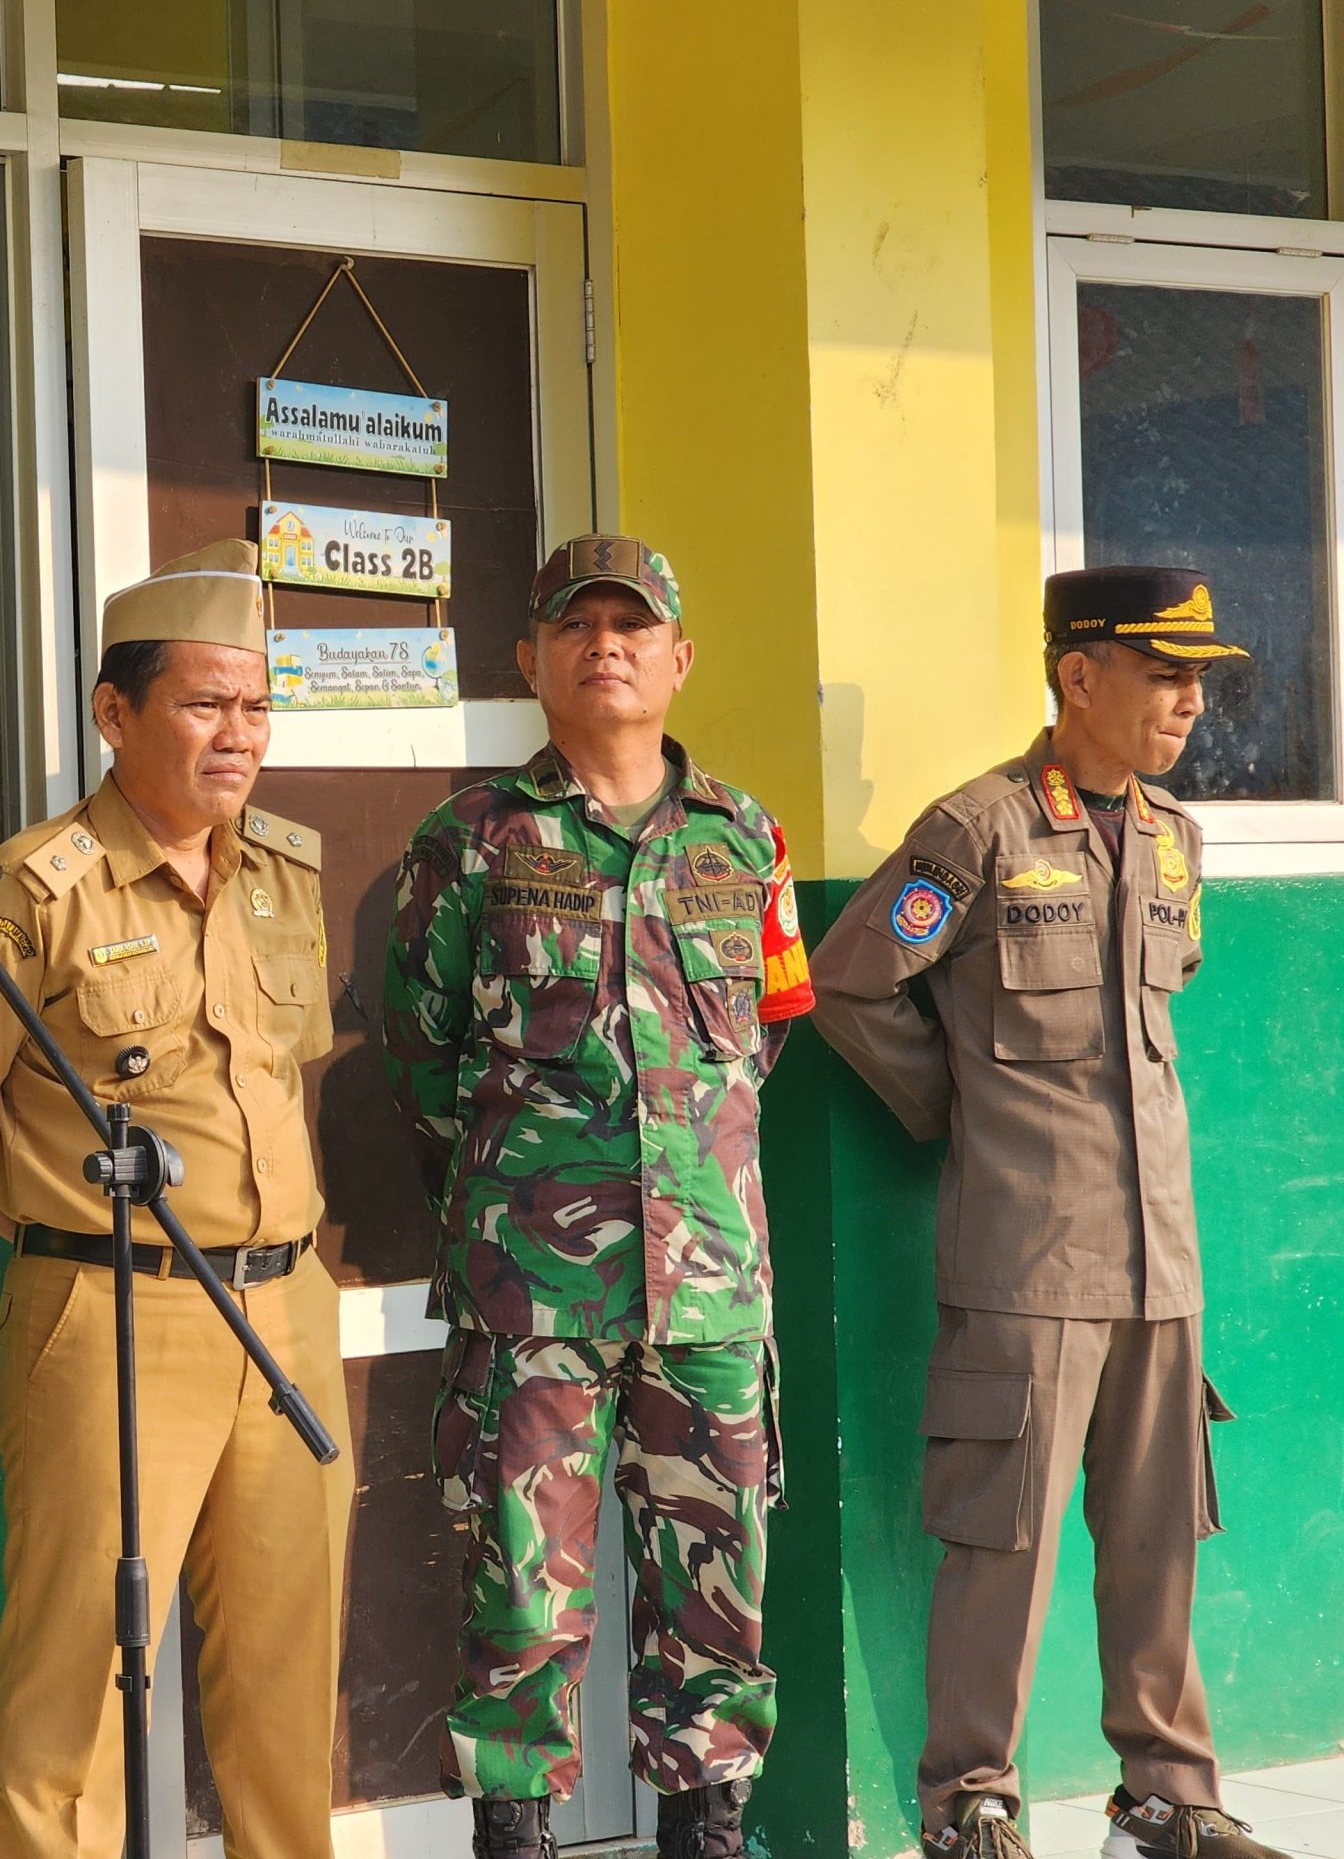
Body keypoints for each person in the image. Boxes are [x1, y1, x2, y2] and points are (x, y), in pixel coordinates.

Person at [809, 567, 1286, 1859]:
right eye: (1166, 674)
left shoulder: (1176, 839)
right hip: (1026, 1261)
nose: (1191, 702)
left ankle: (1168, 1801)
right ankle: (971, 1804)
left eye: (1200, 680)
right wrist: (955, 1108)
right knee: (1001, 1549)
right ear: (1079, 676)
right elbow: (848, 983)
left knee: (1159, 1544)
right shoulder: (980, 831)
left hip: (1160, 1264)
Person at [382, 535, 814, 1859]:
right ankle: (516, 1838)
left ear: (681, 659)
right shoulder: (471, 841)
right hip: (534, 1297)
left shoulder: (747, 839)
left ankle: (708, 1832)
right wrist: (518, 1188)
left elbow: (765, 1040)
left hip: (712, 1294)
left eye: (634, 627)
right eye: (578, 626)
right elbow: (423, 1057)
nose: (606, 647)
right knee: (521, 1602)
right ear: (531, 658)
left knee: (717, 1604)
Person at [0, 539, 354, 1859]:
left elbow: (286, 1076)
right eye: (205, 703)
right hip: (114, 1314)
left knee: (286, 1687)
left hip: (286, 1312)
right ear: (116, 712)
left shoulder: (283, 870)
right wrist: (57, 1225)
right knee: (75, 1699)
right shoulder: (35, 887)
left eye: (257, 705)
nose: (241, 734)